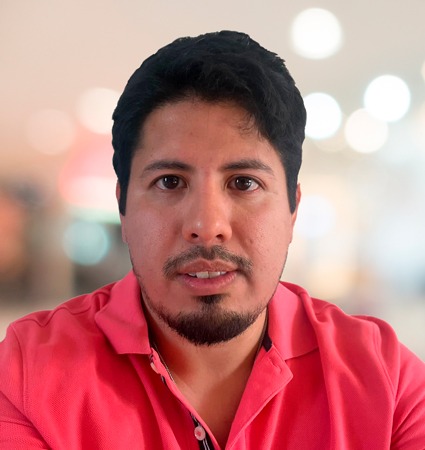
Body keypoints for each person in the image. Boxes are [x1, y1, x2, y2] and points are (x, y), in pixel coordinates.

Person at [0, 30, 424, 449]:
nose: (207, 225)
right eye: (170, 181)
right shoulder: (27, 376)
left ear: (293, 209)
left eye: (244, 182)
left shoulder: (387, 383)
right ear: (122, 208)